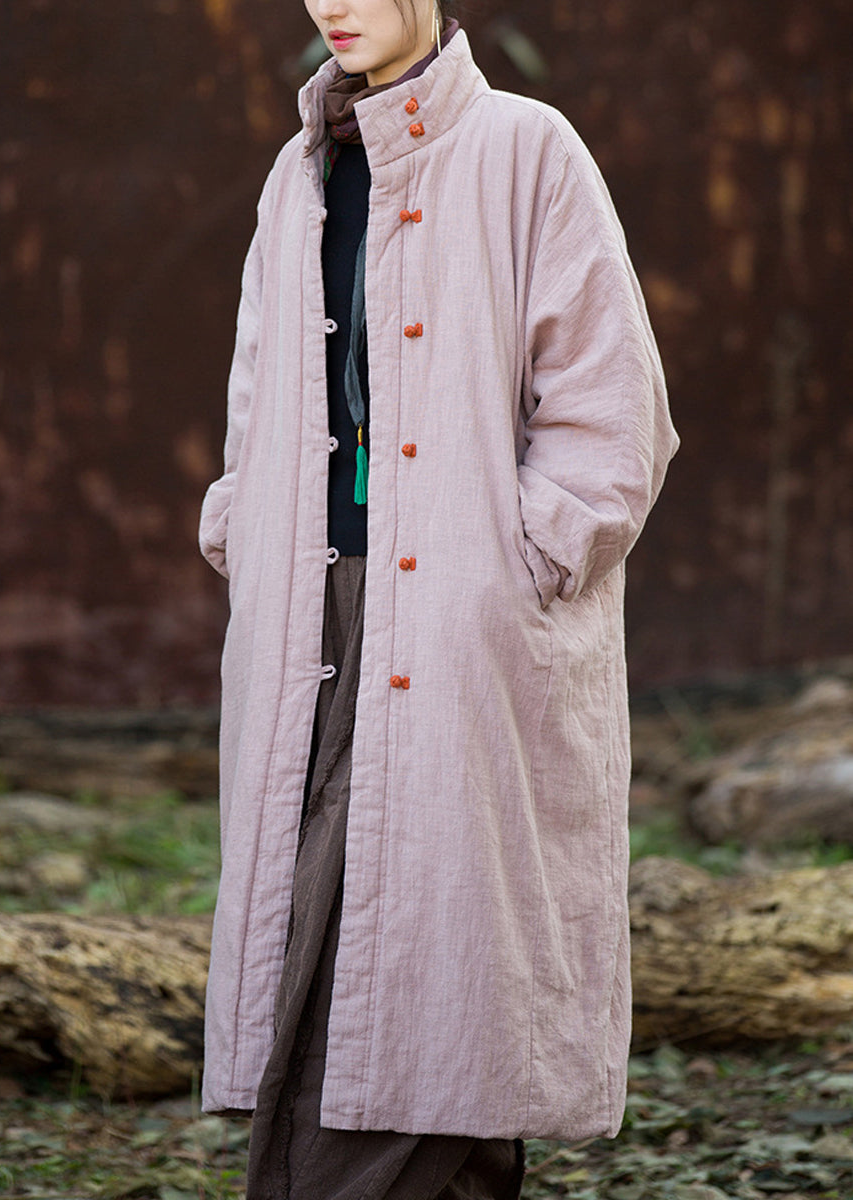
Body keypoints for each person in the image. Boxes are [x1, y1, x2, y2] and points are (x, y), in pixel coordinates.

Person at [198, 1, 679, 1196]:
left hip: (466, 620)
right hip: (311, 619)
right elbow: (258, 393)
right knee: (322, 938)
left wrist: (519, 565)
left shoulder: (527, 147)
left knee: (446, 946)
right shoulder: (298, 175)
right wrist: (244, 530)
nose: (333, 5)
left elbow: (614, 412)